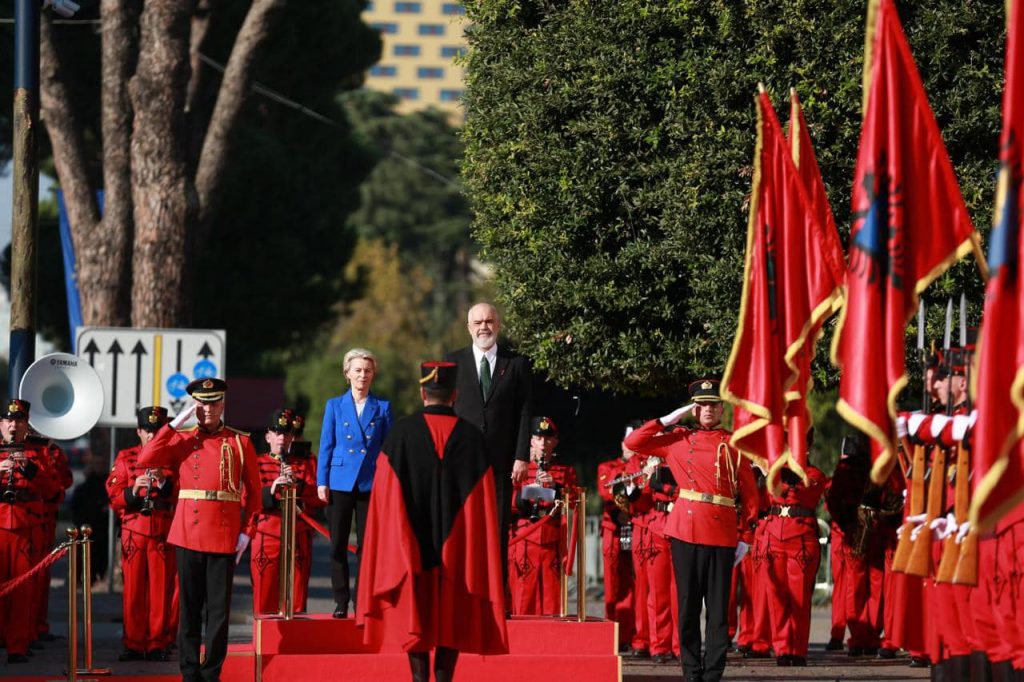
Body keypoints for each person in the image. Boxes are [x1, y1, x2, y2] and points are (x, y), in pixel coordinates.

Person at [357, 361, 508, 682]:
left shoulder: (400, 435)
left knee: (417, 613)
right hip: (457, 553)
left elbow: (385, 500)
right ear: (454, 394)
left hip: (410, 550)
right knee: (451, 617)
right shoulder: (473, 439)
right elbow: (483, 505)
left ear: (422, 392)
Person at [624, 378, 758, 682]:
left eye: (713, 404)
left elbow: (750, 495)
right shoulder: (677, 439)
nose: (708, 410)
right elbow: (634, 444)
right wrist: (667, 419)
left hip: (722, 532)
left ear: (722, 408)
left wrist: (746, 536)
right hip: (686, 529)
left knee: (718, 612)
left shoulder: (733, 443)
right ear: (694, 410)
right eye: (701, 405)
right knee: (686, 606)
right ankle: (691, 671)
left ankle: (712, 674)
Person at [136, 378, 261, 682]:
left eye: (213, 403)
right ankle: (189, 671)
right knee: (189, 610)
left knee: (218, 614)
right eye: (201, 404)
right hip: (188, 533)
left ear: (222, 405)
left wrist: (247, 532)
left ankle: (211, 672)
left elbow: (255, 494)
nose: (207, 409)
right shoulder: (182, 440)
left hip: (223, 533)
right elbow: (145, 458)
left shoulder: (240, 442)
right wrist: (175, 423)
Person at [447, 302, 533, 580]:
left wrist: (521, 456)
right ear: (468, 328)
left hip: (501, 463)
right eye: (478, 322)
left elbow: (524, 411)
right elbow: (445, 411)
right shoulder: (453, 362)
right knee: (462, 528)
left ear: (498, 324)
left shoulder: (516, 363)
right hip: (462, 464)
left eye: (489, 321)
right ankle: (461, 591)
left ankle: (497, 595)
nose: (484, 327)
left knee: (497, 531)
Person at [317, 348, 393, 619]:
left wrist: (387, 484)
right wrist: (321, 480)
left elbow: (388, 450)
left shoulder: (383, 407)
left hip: (370, 483)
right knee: (337, 544)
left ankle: (363, 600)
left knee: (367, 547)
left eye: (367, 370)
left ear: (374, 375)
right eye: (358, 370)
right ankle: (340, 600)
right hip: (339, 481)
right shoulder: (334, 405)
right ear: (347, 373)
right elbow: (326, 444)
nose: (362, 375)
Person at [106, 406, 178, 661]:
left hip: (161, 530)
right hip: (134, 529)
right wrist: (134, 490)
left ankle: (158, 643)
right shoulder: (126, 457)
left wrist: (161, 482)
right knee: (134, 590)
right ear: (138, 431)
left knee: (160, 589)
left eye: (156, 430)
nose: (151, 435)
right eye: (147, 430)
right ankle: (134, 643)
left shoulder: (171, 458)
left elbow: (180, 493)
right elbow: (114, 497)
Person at [0, 399, 59, 664]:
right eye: (9, 421)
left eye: (19, 422)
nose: (14, 426)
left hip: (25, 527)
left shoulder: (38, 454)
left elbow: (53, 490)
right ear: (1, 425)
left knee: (23, 590)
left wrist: (30, 468)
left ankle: (17, 646)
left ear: (26, 426)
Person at [249, 408, 324, 615]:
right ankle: (265, 642)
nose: (281, 438)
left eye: (286, 433)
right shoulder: (257, 462)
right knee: (265, 591)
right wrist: (271, 490)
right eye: (277, 432)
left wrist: (297, 484)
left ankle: (294, 642)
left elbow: (320, 499)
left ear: (292, 437)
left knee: (297, 594)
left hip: (297, 534)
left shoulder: (304, 463)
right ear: (268, 436)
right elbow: (246, 498)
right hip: (267, 534)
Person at [762, 445, 827, 667]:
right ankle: (781, 649)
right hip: (774, 535)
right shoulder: (774, 470)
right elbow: (767, 494)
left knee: (799, 597)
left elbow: (805, 495)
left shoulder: (815, 474)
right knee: (777, 596)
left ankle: (798, 649)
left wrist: (790, 479)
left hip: (800, 539)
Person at [507, 416, 578, 615]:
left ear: (555, 442)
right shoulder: (519, 469)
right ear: (531, 441)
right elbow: (508, 502)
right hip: (525, 538)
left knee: (551, 598)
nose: (543, 444)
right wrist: (527, 493)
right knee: (523, 596)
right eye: (538, 438)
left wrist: (556, 487)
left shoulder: (565, 471)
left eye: (548, 439)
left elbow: (575, 501)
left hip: (551, 539)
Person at [596, 426, 640, 653]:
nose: (631, 447)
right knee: (613, 587)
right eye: (628, 442)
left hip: (638, 528)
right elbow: (605, 491)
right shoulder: (608, 467)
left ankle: (634, 635)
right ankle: (613, 635)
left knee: (637, 586)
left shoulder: (645, 468)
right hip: (613, 530)